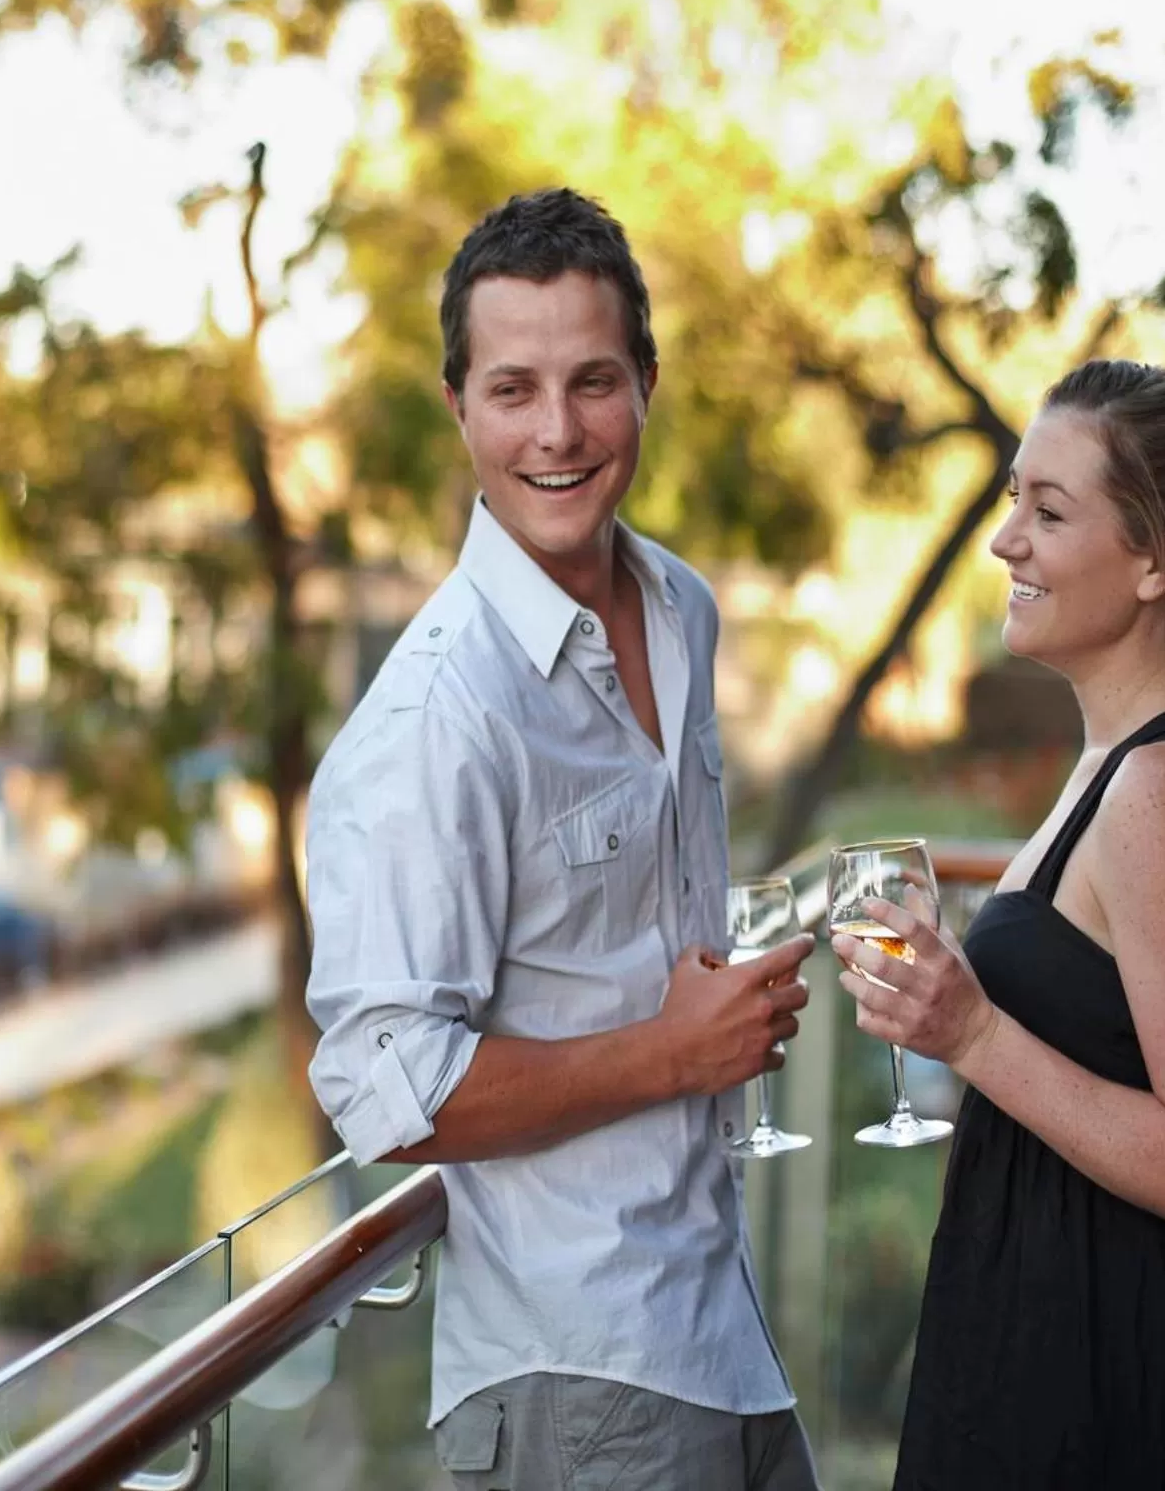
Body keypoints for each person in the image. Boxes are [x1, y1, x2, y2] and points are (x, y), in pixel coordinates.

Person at [304, 187, 819, 1491]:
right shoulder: (440, 715)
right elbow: (383, 1086)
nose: (556, 431)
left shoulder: (682, 608)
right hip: (577, 1368)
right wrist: (672, 1051)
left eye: (593, 382)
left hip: (721, 1315)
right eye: (513, 388)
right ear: (459, 406)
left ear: (647, 384)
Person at [832, 359, 1165, 1488]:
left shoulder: (1164, 789)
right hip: (1069, 1331)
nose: (1005, 540)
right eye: (1012, 498)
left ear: (1159, 562)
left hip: (1118, 1380)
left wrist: (969, 1034)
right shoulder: (1119, 754)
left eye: (1047, 512)